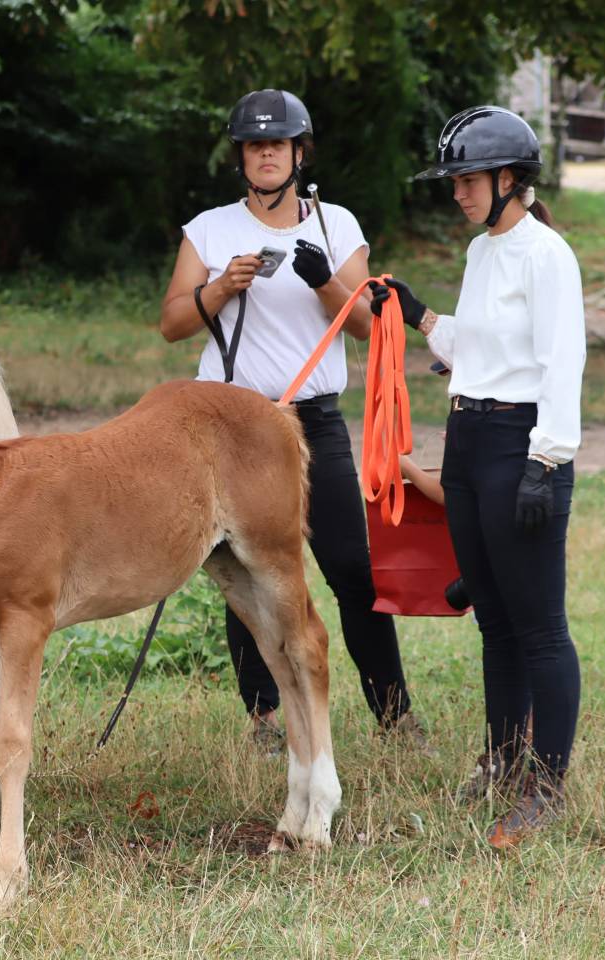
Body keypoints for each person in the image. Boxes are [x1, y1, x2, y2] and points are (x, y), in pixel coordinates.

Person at [159, 88, 422, 751]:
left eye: (278, 143)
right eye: (254, 144)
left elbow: (365, 325)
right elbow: (170, 324)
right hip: (235, 429)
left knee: (351, 571)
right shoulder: (211, 229)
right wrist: (220, 287)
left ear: (300, 153)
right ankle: (264, 719)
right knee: (243, 573)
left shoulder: (336, 225)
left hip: (314, 422)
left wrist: (323, 282)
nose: (266, 153)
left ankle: (394, 714)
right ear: (241, 157)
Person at [370, 106, 585, 847]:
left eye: (466, 180)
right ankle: (501, 759)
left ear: (509, 179)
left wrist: (545, 461)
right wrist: (419, 314)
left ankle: (547, 785)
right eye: (454, 181)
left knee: (540, 629)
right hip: (467, 435)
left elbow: (561, 363)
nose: (456, 193)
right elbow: (482, 347)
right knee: (493, 619)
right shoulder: (483, 252)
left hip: (520, 444)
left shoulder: (545, 254)